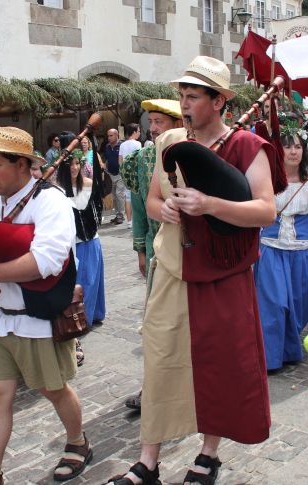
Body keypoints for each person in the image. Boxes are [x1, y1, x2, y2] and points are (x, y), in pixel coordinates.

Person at [105, 56, 275, 485]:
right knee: (160, 360)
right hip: (173, 267)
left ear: (218, 101)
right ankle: (147, 461)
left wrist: (210, 205)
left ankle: (208, 454)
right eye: (182, 95)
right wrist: (165, 209)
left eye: (193, 96)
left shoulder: (247, 147)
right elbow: (151, 202)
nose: (184, 104)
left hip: (223, 271)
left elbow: (265, 211)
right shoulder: (169, 144)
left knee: (217, 364)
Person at [0, 126, 90, 484]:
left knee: (53, 389)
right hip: (0, 320)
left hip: (36, 318)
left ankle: (78, 442)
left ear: (23, 165)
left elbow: (45, 262)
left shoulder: (51, 201)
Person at [119, 98, 183, 411]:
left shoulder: (193, 154)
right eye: (151, 122)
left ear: (178, 126)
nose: (153, 129)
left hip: (188, 252)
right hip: (156, 249)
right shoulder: (142, 158)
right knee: (155, 325)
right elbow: (141, 205)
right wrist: (141, 249)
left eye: (160, 122)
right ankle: (152, 390)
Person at [255, 127, 308, 371]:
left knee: (306, 299)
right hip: (271, 250)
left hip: (303, 252)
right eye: (288, 146)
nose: (293, 151)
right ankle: (271, 358)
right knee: (274, 305)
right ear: (279, 150)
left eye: (298, 146)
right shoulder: (266, 180)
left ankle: (289, 346)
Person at [57, 136, 106, 328]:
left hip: (91, 240)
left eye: (77, 163)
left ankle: (92, 315)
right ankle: (79, 318)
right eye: (70, 164)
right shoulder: (58, 190)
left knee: (92, 282)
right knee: (79, 284)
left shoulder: (88, 184)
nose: (74, 168)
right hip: (72, 244)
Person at [118, 123, 142, 228]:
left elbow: (120, 160)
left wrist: (124, 171)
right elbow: (139, 159)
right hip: (136, 173)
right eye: (139, 131)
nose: (139, 133)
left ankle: (129, 222)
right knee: (137, 195)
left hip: (126, 173)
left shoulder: (122, 145)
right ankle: (138, 219)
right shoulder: (138, 144)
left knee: (127, 197)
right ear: (134, 132)